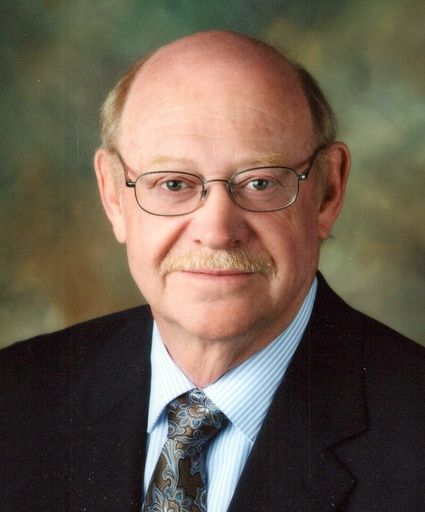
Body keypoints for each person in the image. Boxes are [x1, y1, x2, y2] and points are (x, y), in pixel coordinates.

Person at [1, 30, 424, 512]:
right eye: (173, 184)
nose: (217, 231)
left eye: (260, 182)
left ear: (328, 192)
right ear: (114, 196)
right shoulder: (16, 399)